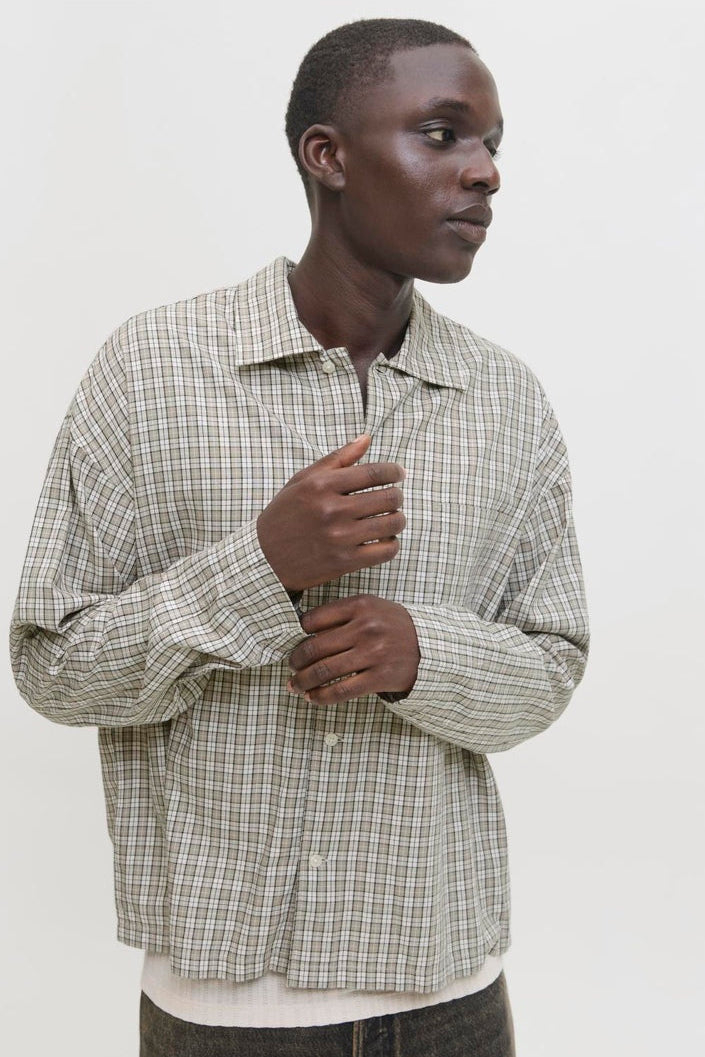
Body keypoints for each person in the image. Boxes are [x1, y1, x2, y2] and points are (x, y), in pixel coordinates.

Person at [9, 16, 590, 1057]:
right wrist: (260, 568)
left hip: (452, 999)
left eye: (491, 144)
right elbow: (53, 666)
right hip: (228, 1017)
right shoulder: (152, 370)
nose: (484, 172)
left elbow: (553, 664)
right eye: (443, 134)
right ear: (327, 156)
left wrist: (424, 654)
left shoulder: (508, 402)